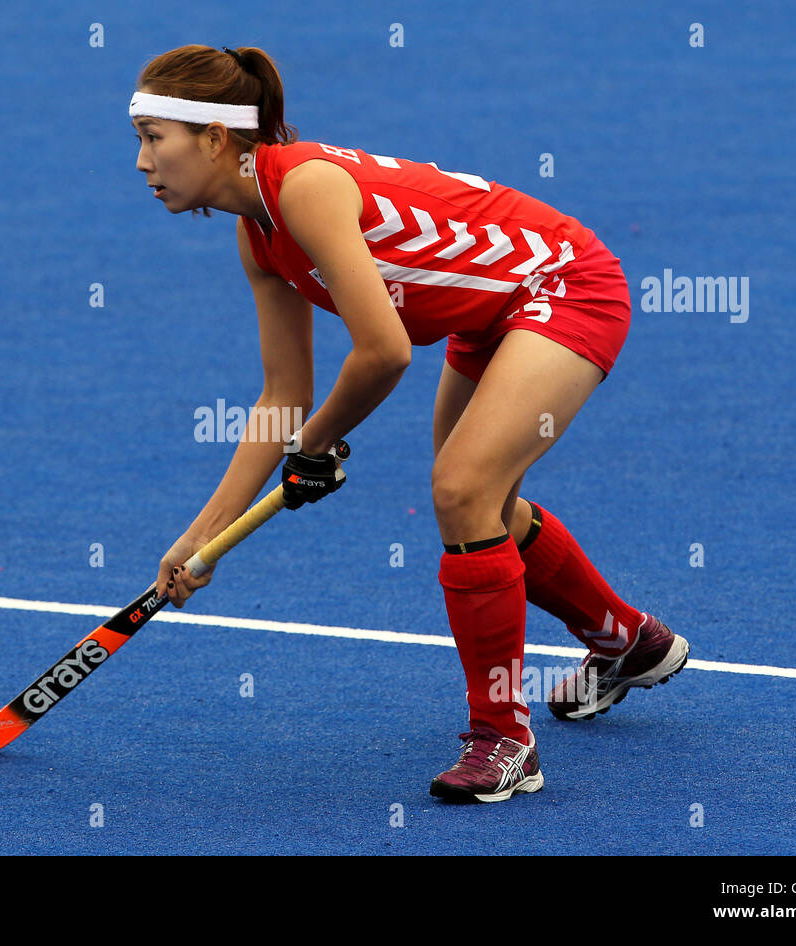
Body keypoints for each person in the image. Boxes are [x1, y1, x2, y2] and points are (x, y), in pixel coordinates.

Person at [132, 44, 689, 803]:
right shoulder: (256, 232)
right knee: (480, 506)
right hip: (489, 309)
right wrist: (203, 535)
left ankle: (503, 740)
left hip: (561, 284)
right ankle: (626, 640)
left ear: (216, 138)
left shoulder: (305, 190)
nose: (142, 162)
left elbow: (384, 352)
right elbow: (282, 396)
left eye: (153, 137)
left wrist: (317, 445)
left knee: (461, 491)